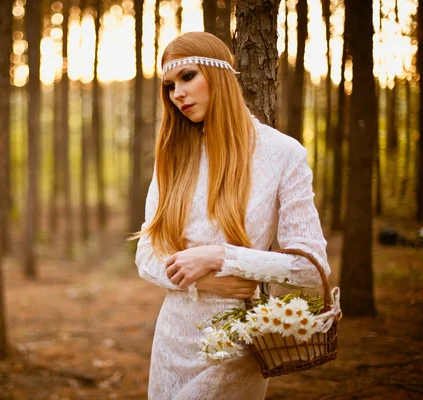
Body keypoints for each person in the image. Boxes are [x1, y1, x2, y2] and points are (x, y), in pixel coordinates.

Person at [134, 32, 330, 399]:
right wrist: (201, 281)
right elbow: (146, 255)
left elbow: (310, 267)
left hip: (235, 338)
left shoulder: (282, 154)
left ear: (220, 75)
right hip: (172, 336)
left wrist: (223, 257)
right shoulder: (175, 158)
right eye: (169, 86)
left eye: (188, 76)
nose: (177, 93)